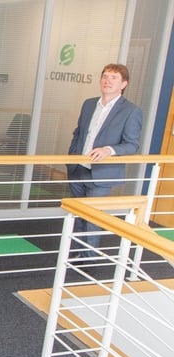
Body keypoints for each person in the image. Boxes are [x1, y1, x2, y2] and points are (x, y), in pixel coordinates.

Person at [67, 63, 142, 259]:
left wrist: (109, 150)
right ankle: (77, 251)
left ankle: (89, 257)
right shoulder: (89, 104)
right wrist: (72, 157)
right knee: (78, 214)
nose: (107, 81)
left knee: (93, 216)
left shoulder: (131, 111)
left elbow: (132, 145)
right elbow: (79, 133)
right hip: (79, 168)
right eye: (105, 76)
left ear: (124, 84)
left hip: (102, 172)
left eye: (114, 78)